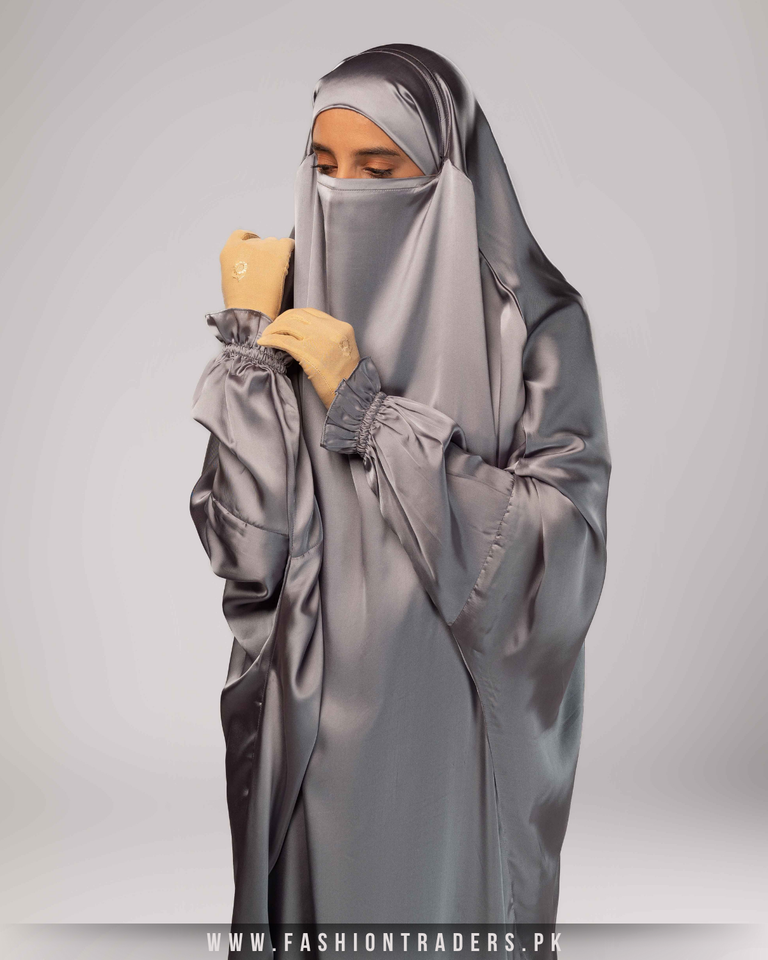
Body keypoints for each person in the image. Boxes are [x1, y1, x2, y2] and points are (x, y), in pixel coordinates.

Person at [190, 43, 611, 956]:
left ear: (449, 175)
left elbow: (561, 557)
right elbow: (248, 555)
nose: (345, 194)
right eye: (325, 166)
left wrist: (373, 416)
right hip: (310, 718)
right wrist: (250, 347)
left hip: (449, 739)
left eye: (381, 171)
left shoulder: (535, 327)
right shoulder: (290, 316)